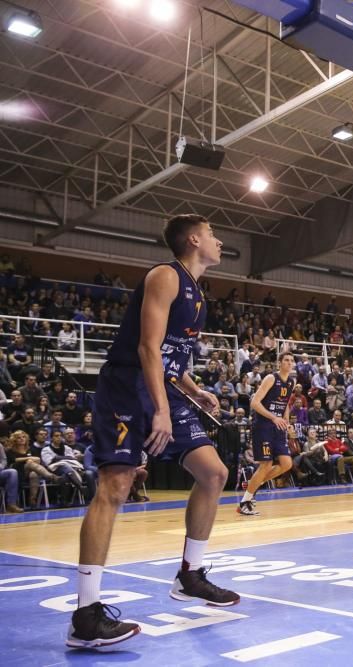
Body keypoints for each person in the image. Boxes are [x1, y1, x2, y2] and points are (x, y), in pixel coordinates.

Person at [70, 214, 238, 649]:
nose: (220, 242)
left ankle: (190, 575)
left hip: (162, 386)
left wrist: (194, 389)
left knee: (214, 472)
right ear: (195, 239)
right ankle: (85, 616)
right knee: (116, 484)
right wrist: (161, 410)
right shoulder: (165, 276)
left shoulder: (198, 293)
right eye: (214, 234)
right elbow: (147, 347)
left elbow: (169, 357)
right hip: (127, 386)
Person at [239, 352, 295, 515]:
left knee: (286, 464)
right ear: (279, 363)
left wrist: (286, 422)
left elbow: (285, 404)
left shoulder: (291, 382)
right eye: (286, 360)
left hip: (278, 427)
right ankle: (245, 502)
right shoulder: (271, 378)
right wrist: (274, 418)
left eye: (292, 361)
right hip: (263, 425)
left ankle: (253, 484)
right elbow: (254, 402)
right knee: (266, 465)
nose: (289, 363)